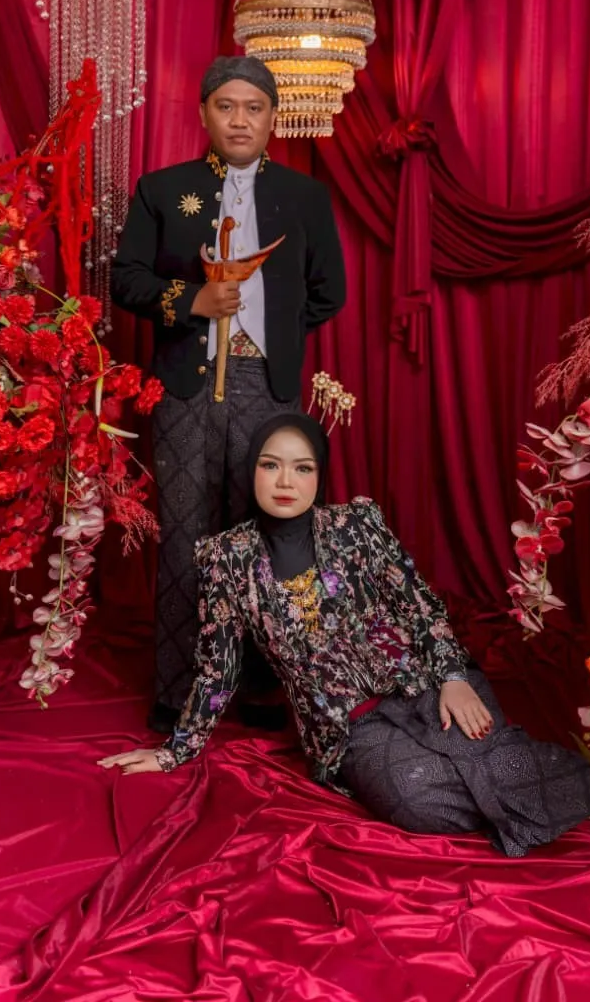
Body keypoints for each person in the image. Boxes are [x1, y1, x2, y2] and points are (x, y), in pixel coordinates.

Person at [99, 414, 590, 857]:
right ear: (251, 470)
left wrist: (452, 676)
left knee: (482, 751)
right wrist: (177, 749)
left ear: (319, 474)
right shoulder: (226, 558)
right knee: (416, 799)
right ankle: (561, 794)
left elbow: (419, 605)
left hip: (426, 683)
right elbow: (219, 668)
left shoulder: (357, 524)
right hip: (350, 727)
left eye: (302, 467)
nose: (285, 481)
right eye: (271, 465)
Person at [110, 58, 346, 732]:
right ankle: (180, 689)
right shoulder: (163, 190)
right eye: (226, 106)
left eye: (254, 108)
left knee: (266, 531)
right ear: (204, 113)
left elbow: (329, 291)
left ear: (273, 118)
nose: (240, 120)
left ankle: (263, 686)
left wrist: (270, 333)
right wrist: (194, 302)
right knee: (187, 534)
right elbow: (126, 280)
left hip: (265, 386)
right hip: (186, 386)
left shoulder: (305, 196)